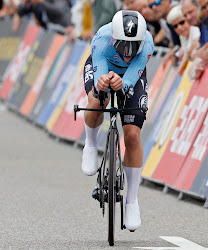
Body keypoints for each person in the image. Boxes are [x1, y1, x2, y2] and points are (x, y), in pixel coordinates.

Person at [81, 10, 154, 231]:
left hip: (131, 76)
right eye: (123, 45)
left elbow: (132, 75)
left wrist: (124, 83)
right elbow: (99, 73)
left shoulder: (148, 43)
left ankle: (132, 200)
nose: (128, 51)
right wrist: (102, 81)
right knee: (96, 101)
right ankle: (91, 144)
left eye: (134, 46)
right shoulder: (102, 39)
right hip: (103, 68)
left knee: (132, 135)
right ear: (114, 38)